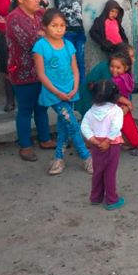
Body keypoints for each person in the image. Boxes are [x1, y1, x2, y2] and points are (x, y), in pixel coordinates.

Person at [33, 9, 92, 175]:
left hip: (70, 92)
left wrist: (75, 88)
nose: (59, 29)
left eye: (62, 26)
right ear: (45, 27)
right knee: (72, 124)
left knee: (64, 125)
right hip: (54, 95)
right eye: (54, 25)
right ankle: (86, 157)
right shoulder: (40, 46)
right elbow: (41, 74)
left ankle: (58, 159)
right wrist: (57, 93)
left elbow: (75, 69)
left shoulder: (68, 45)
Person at [5, 0, 56, 161]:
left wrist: (47, 32)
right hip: (23, 72)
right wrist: (46, 34)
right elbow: (33, 42)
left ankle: (45, 139)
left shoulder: (39, 14)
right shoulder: (14, 18)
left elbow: (55, 25)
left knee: (41, 107)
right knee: (26, 109)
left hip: (41, 71)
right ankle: (25, 145)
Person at [36, 0, 101, 84]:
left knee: (80, 62)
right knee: (65, 61)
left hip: (79, 32)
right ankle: (67, 86)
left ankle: (80, 89)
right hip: (63, 32)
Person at [81, 80, 126, 210]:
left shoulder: (91, 111)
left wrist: (93, 140)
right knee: (110, 173)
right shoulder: (116, 110)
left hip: (96, 145)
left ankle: (95, 197)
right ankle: (111, 200)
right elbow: (116, 127)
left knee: (98, 171)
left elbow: (84, 126)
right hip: (112, 144)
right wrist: (107, 141)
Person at [77, 43, 134, 116]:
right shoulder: (110, 69)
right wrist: (127, 103)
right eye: (131, 56)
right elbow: (110, 93)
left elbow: (126, 89)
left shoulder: (123, 68)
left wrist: (127, 105)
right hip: (89, 99)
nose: (133, 60)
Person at [109, 52, 138, 156]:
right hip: (123, 105)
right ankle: (135, 141)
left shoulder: (116, 81)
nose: (114, 69)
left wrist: (127, 103)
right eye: (112, 66)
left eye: (118, 67)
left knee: (128, 126)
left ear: (125, 68)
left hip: (120, 107)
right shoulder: (126, 77)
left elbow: (116, 95)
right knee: (128, 125)